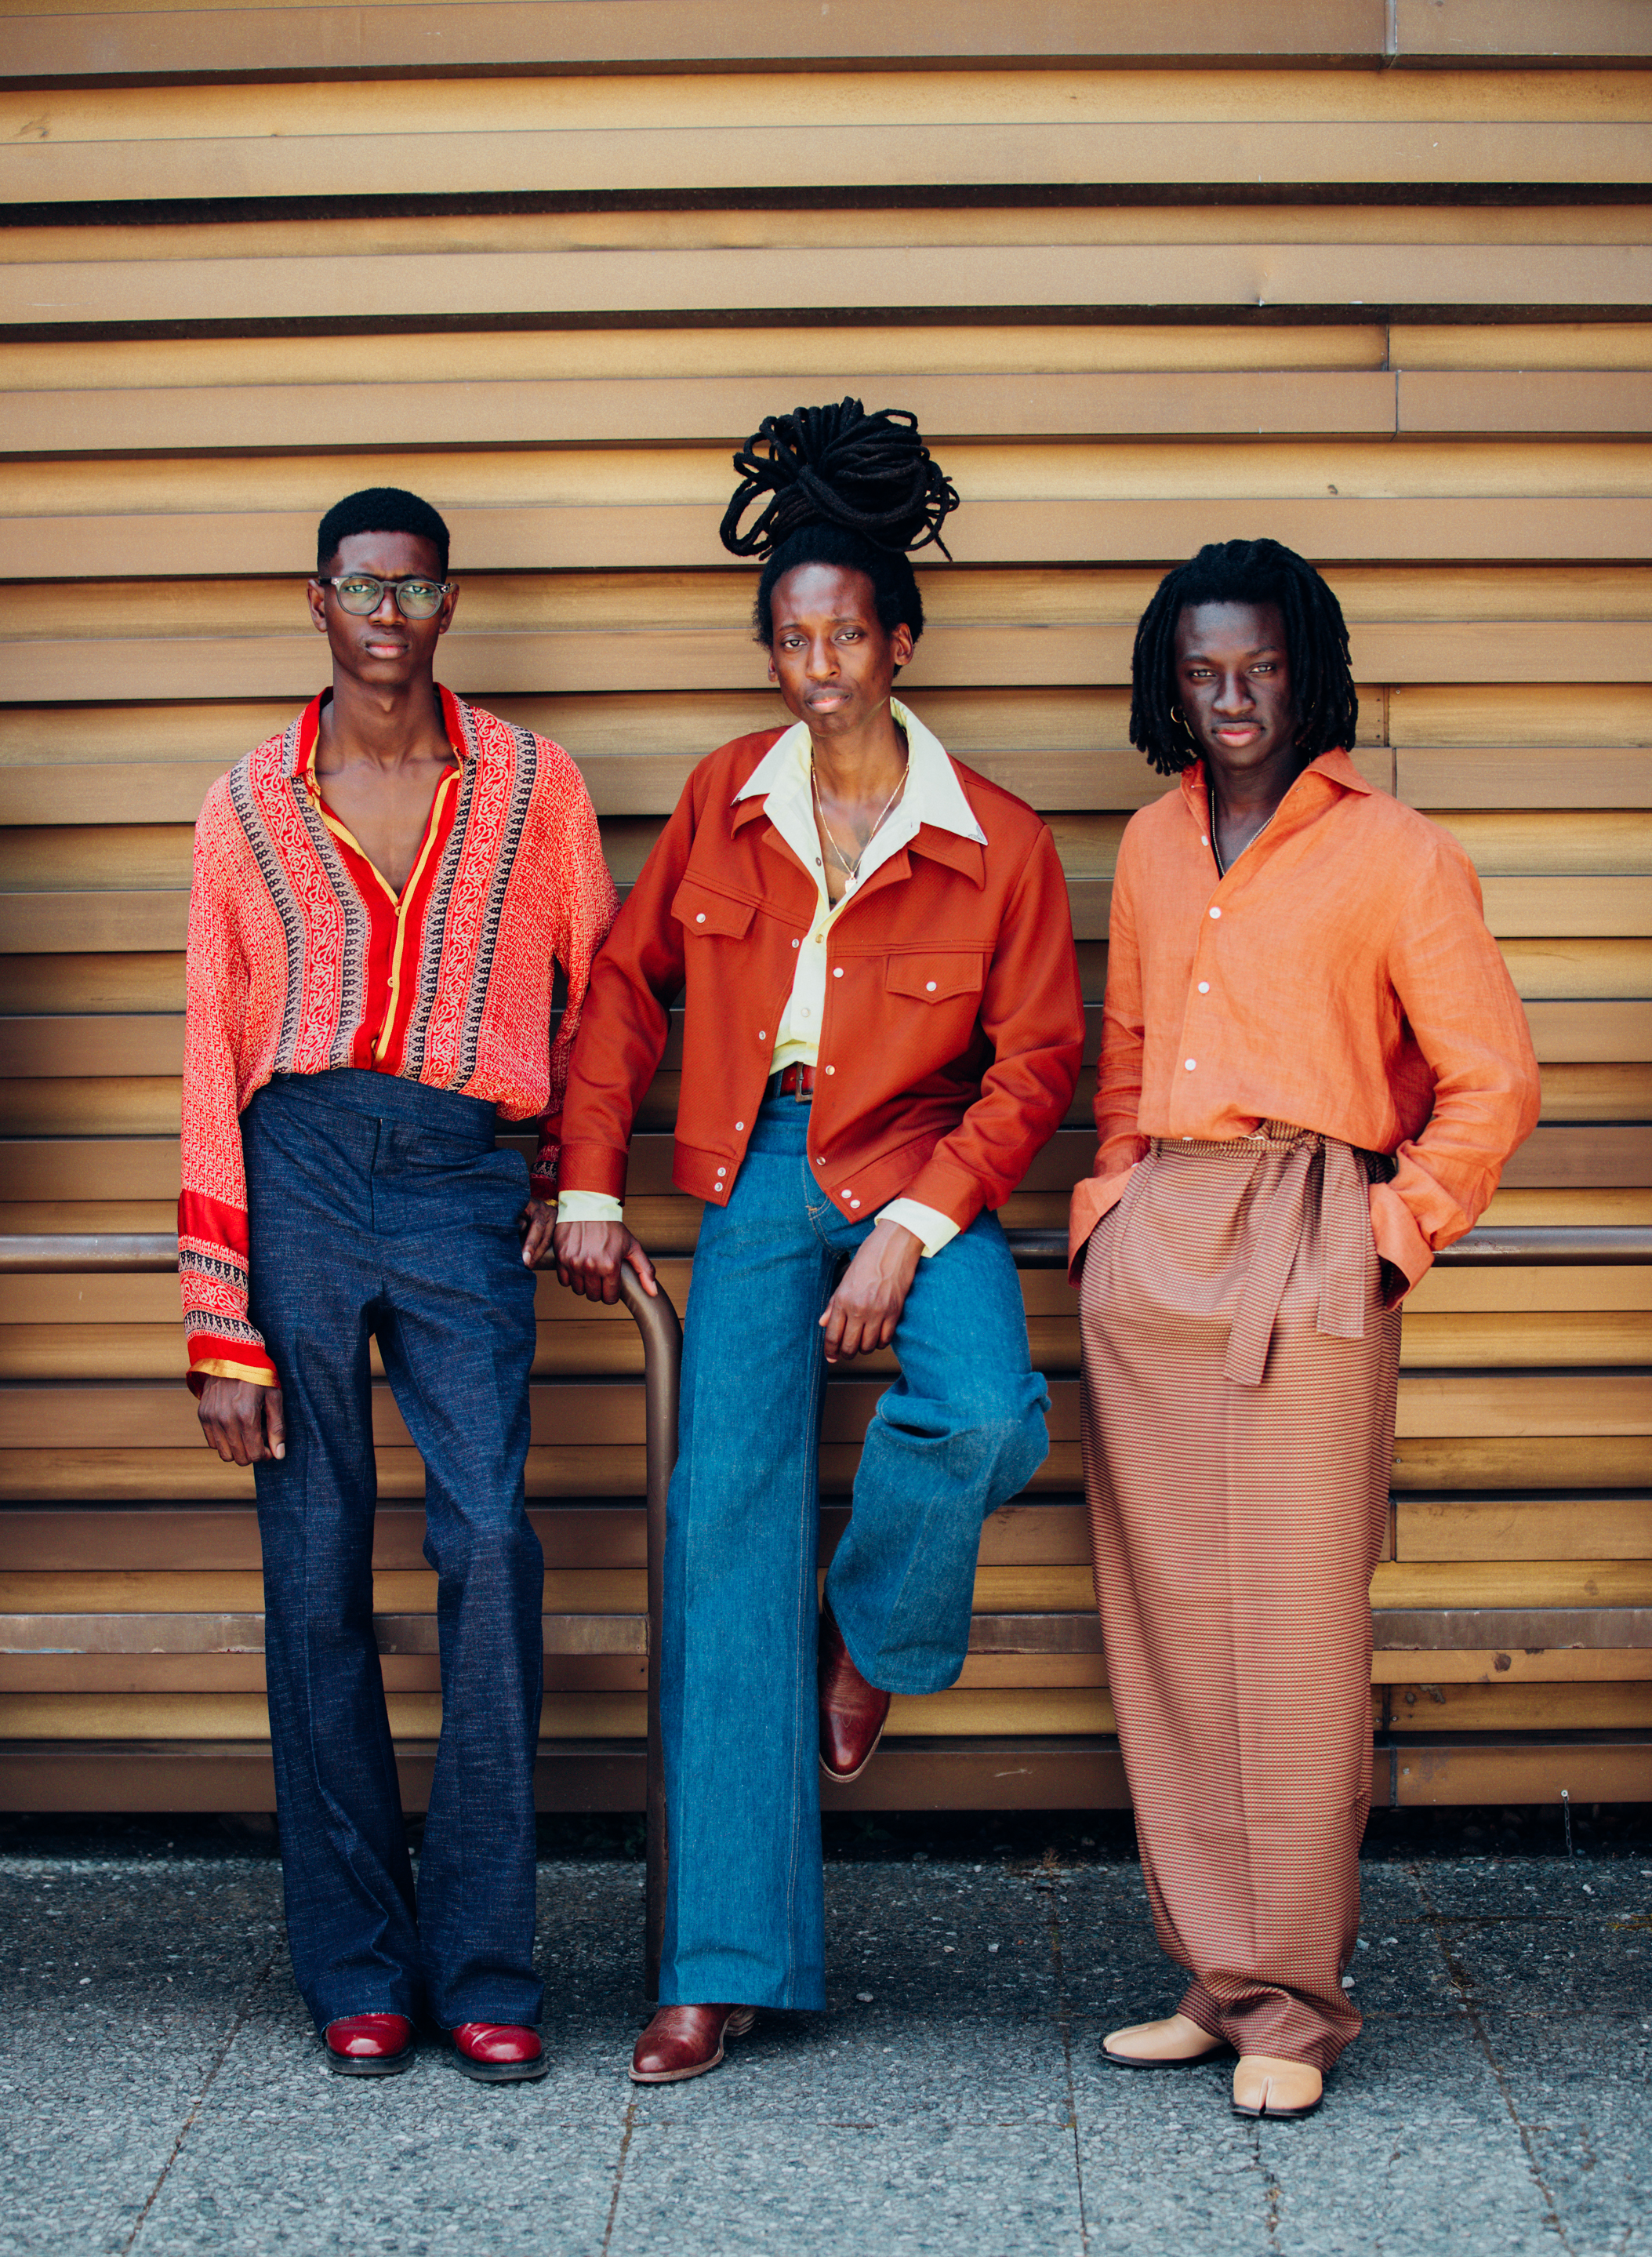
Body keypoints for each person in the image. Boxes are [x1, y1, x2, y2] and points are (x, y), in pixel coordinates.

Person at [554, 401, 1085, 2082]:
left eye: (846, 632)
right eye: (791, 637)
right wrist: (583, 1178)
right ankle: (718, 1965)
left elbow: (1044, 1062)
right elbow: (626, 992)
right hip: (750, 1166)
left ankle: (869, 1637)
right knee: (723, 1538)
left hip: (922, 1163)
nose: (819, 664)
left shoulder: (994, 836)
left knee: (990, 1412)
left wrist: (917, 1224)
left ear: (898, 641)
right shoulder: (725, 801)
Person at [1073, 537, 1541, 2120]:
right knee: (1168, 1626)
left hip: (1305, 1233)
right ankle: (1214, 1980)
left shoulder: (1395, 854)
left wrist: (1389, 1234)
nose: (1229, 699)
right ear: (1169, 679)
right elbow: (1127, 1049)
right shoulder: (1147, 845)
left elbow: (1492, 1078)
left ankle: (1295, 2002)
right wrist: (1107, 1215)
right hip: (1163, 1241)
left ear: (1306, 667)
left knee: (1288, 1628)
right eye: (1201, 671)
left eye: (1258, 667)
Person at [181, 485, 617, 2081]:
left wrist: (578, 1180)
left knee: (490, 1538)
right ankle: (358, 1960)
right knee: (314, 1562)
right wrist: (215, 1310)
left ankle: (488, 1960)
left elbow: (603, 998)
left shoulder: (531, 786)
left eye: (415, 587)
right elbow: (207, 1060)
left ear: (449, 605)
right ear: (318, 603)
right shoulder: (245, 804)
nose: (387, 613)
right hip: (292, 1166)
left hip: (454, 1176)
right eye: (360, 587)